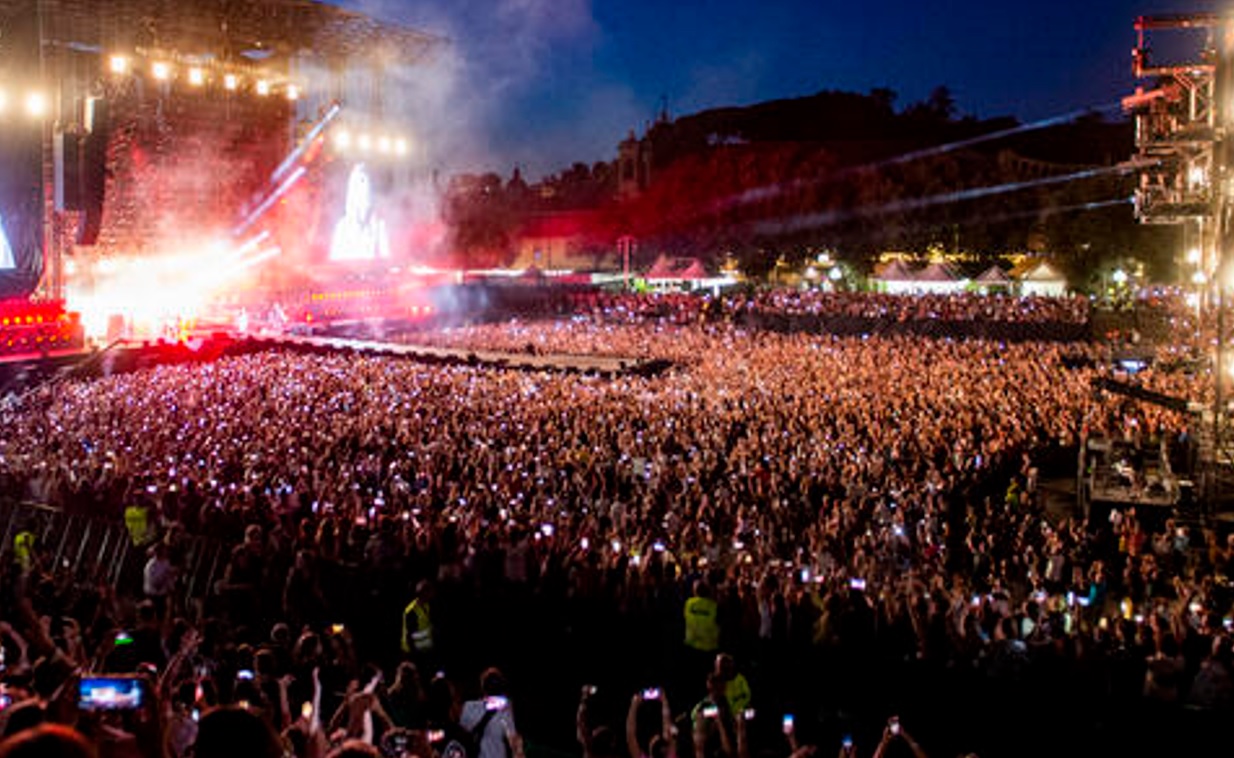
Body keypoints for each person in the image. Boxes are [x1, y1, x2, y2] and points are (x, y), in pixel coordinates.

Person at [459, 668, 524, 758]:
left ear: (482, 685)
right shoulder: (504, 711)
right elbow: (514, 744)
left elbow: (461, 732)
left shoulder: (469, 707)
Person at [330, 164, 389, 262]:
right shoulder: (342, 226)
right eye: (357, 184)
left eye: (365, 183)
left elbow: (386, 258)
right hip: (346, 273)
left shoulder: (378, 225)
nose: (362, 190)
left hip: (373, 274)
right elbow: (335, 261)